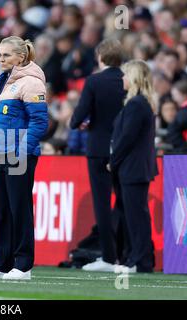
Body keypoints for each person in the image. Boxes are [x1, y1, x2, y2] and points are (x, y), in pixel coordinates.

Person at [0, 36, 48, 280]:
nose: (1, 59)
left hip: (18, 154)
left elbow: (40, 122)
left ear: (21, 57)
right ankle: (3, 262)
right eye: (0, 54)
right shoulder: (4, 81)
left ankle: (23, 265)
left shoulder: (31, 82)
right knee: (2, 209)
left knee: (19, 209)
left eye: (6, 55)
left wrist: (22, 150)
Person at [69, 38, 126, 272]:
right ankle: (127, 254)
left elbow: (77, 118)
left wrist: (82, 121)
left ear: (100, 57)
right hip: (123, 149)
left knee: (102, 204)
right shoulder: (127, 80)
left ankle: (109, 257)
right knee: (124, 202)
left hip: (98, 149)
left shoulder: (94, 81)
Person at [109, 60, 158, 273]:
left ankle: (141, 260)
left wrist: (113, 160)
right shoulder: (139, 103)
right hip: (134, 168)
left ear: (135, 78)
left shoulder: (137, 104)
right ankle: (135, 258)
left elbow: (127, 138)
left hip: (133, 168)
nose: (122, 79)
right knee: (134, 214)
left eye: (125, 75)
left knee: (136, 216)